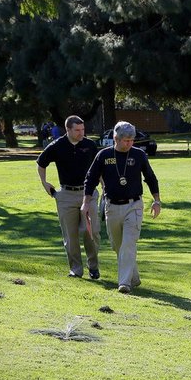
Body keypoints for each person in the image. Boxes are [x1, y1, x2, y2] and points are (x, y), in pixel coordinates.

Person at [81, 121, 161, 294]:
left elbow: (150, 177)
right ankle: (133, 276)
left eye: (132, 140)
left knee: (128, 244)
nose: (130, 143)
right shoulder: (103, 155)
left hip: (134, 205)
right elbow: (91, 178)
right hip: (111, 206)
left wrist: (156, 200)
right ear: (115, 138)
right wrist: (86, 202)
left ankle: (124, 283)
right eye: (126, 140)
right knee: (118, 246)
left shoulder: (139, 155)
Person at [36, 115, 101, 279]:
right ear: (68, 130)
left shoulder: (90, 145)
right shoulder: (57, 145)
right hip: (66, 195)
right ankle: (76, 269)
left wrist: (105, 185)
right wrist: (44, 183)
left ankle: (93, 267)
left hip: (89, 193)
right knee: (70, 235)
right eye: (77, 130)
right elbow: (41, 163)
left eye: (83, 129)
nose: (81, 133)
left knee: (91, 231)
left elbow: (98, 167)